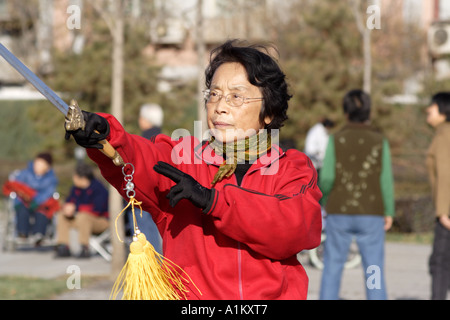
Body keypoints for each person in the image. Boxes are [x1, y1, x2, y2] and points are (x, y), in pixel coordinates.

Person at [65, 40, 322, 300]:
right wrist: (107, 135)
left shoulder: (291, 169)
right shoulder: (184, 160)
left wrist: (213, 201)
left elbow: (294, 228)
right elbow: (141, 157)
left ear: (269, 111)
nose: (220, 106)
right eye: (214, 94)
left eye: (236, 96)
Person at [319, 89, 395, 300]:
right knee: (374, 267)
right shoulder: (380, 141)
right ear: (369, 112)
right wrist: (388, 210)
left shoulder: (336, 139)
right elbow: (385, 180)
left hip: (338, 210)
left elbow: (326, 178)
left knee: (333, 265)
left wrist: (326, 201)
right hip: (371, 212)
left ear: (346, 112)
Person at [124, 103, 164, 255]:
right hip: (158, 192)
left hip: (140, 194)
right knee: (155, 233)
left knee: (143, 237)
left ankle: (151, 270)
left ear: (146, 120)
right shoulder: (163, 140)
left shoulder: (140, 142)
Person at [55, 162, 109, 258]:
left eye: (75, 176)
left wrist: (75, 208)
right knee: (61, 215)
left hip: (101, 221)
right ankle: (63, 247)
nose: (73, 179)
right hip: (81, 220)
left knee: (83, 216)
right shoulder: (76, 189)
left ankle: (84, 248)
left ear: (82, 178)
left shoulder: (99, 189)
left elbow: (98, 210)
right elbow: (69, 202)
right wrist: (67, 208)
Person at [426, 92, 450, 300]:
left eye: (432, 107)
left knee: (439, 262)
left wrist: (443, 212)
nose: (427, 110)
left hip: (447, 211)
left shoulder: (444, 135)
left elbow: (445, 172)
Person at [10, 152, 58, 246]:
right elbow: (17, 186)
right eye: (37, 163)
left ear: (47, 166)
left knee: (43, 211)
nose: (38, 166)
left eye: (41, 164)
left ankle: (39, 234)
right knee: (22, 210)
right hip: (24, 201)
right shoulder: (24, 173)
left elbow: (49, 193)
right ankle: (22, 233)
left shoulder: (51, 178)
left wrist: (37, 201)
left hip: (40, 203)